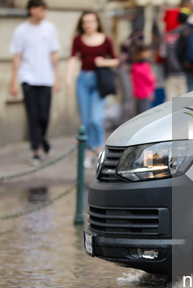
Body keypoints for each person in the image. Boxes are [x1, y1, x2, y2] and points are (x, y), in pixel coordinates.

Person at [10, 0, 61, 166]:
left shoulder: (50, 28)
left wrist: (58, 77)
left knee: (44, 116)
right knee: (32, 115)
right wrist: (13, 80)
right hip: (28, 78)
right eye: (41, 9)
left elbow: (54, 54)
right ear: (32, 10)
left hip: (45, 78)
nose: (44, 13)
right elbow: (17, 56)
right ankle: (36, 150)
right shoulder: (20, 30)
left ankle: (43, 136)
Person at [65, 11, 118, 168]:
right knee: (86, 120)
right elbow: (73, 58)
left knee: (96, 118)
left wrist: (103, 62)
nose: (88, 25)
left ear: (97, 23)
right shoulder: (78, 40)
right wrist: (68, 79)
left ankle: (99, 150)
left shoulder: (105, 39)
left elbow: (115, 60)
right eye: (85, 22)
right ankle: (88, 153)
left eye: (91, 21)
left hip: (98, 81)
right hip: (82, 80)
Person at [162, 12, 188, 101]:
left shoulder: (169, 35)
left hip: (170, 72)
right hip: (185, 71)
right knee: (184, 102)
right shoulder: (188, 34)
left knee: (170, 100)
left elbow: (163, 54)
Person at [131, 44, 157, 115]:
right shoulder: (143, 66)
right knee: (145, 114)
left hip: (140, 94)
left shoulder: (135, 66)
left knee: (140, 113)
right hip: (144, 94)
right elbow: (151, 79)